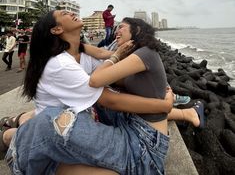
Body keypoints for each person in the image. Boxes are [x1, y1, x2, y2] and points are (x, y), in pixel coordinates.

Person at [3, 11, 173, 174]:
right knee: (51, 119)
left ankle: (14, 135)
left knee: (53, 119)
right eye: (64, 14)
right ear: (57, 30)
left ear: (136, 30)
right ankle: (15, 138)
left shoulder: (82, 52)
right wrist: (163, 105)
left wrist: (117, 57)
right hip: (129, 132)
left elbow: (104, 63)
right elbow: (105, 92)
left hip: (141, 139)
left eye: (121, 27)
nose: (116, 31)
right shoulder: (62, 62)